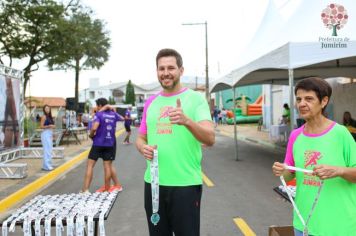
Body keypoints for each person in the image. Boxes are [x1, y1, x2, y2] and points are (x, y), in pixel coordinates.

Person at [135, 48, 215, 236]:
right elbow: (140, 138)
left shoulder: (196, 99)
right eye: (161, 68)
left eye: (171, 67)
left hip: (185, 186)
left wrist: (186, 121)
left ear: (181, 70)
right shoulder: (151, 103)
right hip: (153, 185)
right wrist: (142, 148)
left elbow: (210, 138)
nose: (166, 73)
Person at [272, 77, 356, 236]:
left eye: (309, 99)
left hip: (340, 225)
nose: (301, 104)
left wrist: (339, 171)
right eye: (298, 99)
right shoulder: (296, 136)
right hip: (303, 224)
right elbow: (289, 174)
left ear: (324, 101)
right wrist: (280, 170)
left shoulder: (340, 134)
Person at [82, 98, 123, 193]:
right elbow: (122, 118)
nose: (96, 107)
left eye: (97, 105)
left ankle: (85, 190)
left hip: (98, 143)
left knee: (90, 166)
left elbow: (94, 127)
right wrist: (112, 108)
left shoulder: (99, 114)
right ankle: (107, 189)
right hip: (110, 143)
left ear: (100, 105)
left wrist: (91, 135)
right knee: (107, 166)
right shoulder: (113, 114)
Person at [40, 105, 55, 171]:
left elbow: (53, 126)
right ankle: (47, 166)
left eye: (48, 108)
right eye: (46, 108)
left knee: (49, 150)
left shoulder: (50, 117)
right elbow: (41, 126)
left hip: (50, 133)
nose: (47, 109)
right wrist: (49, 126)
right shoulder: (44, 116)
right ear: (44, 110)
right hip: (45, 133)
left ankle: (46, 165)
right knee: (47, 150)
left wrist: (52, 127)